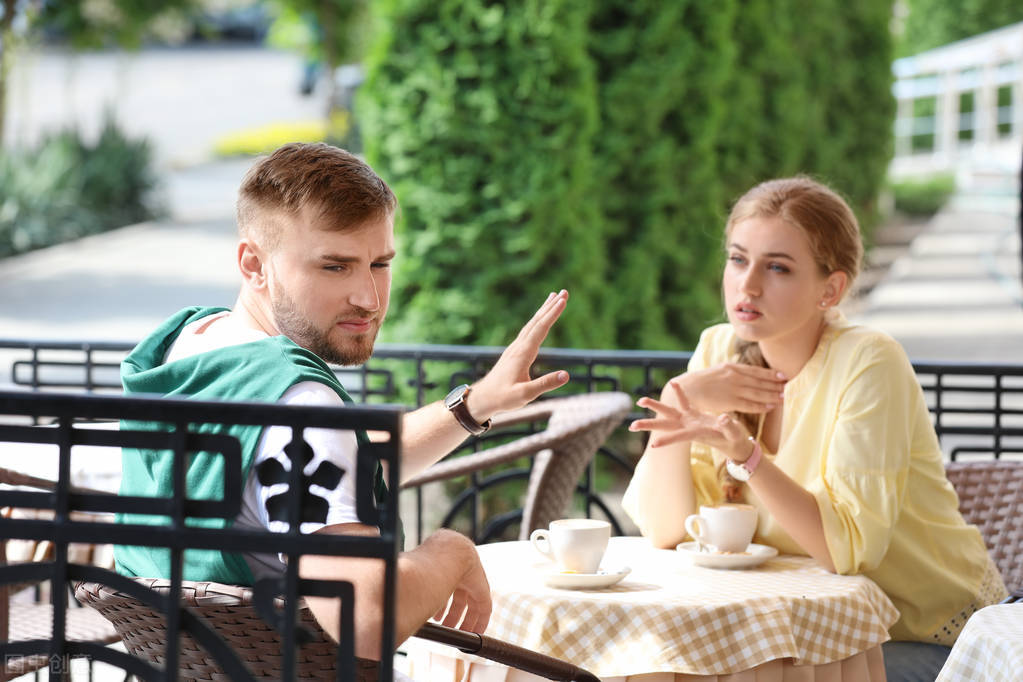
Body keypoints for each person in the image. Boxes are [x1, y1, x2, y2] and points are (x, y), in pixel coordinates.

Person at [114, 142, 572, 665]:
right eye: (335, 267)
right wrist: (450, 552)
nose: (369, 298)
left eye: (379, 263)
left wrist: (475, 403)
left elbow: (329, 467)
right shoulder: (300, 404)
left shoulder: (188, 344)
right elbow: (365, 618)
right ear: (253, 263)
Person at [622, 176, 1008, 682]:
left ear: (832, 289)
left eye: (777, 267)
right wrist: (679, 398)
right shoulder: (717, 351)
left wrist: (749, 458)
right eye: (738, 259)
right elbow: (667, 529)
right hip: (791, 634)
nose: (748, 285)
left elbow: (843, 550)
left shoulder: (868, 362)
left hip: (929, 638)